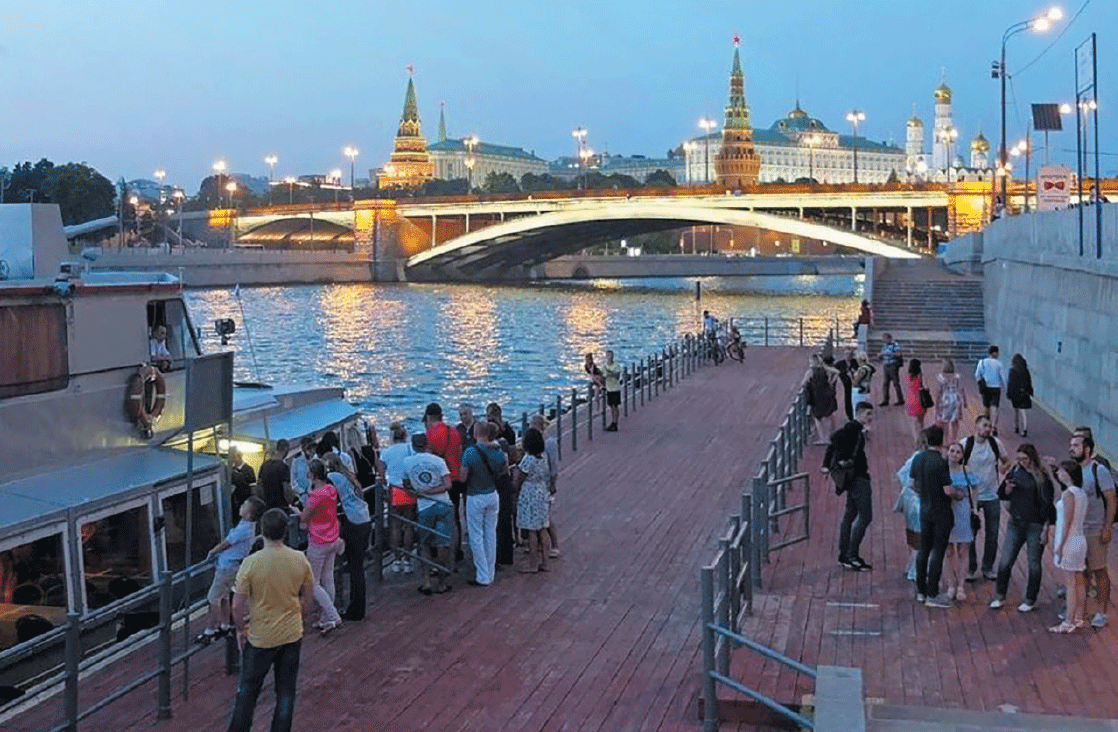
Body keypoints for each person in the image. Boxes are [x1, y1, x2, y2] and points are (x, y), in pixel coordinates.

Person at [224, 508, 315, 732]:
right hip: (291, 633)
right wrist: (299, 620)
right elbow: (309, 598)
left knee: (247, 691)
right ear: (285, 532)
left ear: (262, 532)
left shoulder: (251, 563)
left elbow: (237, 605)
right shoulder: (300, 559)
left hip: (261, 636)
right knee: (286, 692)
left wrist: (241, 629)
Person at [989, 444, 1054, 612]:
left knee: (1034, 563)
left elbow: (1047, 505)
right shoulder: (1015, 472)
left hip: (1035, 524)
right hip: (1016, 522)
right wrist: (1007, 490)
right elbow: (1002, 493)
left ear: (1032, 458)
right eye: (1019, 459)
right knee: (1005, 560)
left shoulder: (1041, 477)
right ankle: (1000, 595)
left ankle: (1030, 599)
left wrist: (1046, 528)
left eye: (1024, 459)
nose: (1021, 462)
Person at [198, 497, 264, 644]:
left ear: (249, 514)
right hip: (233, 566)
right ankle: (225, 624)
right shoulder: (248, 526)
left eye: (244, 505)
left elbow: (226, 543)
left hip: (227, 567)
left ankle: (210, 630)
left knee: (213, 597)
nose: (241, 505)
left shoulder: (243, 529)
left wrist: (213, 551)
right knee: (225, 596)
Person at [823, 401, 875, 571]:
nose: (870, 417)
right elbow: (835, 439)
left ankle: (844, 554)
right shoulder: (853, 429)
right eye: (867, 414)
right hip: (858, 478)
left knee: (849, 516)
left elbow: (833, 441)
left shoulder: (853, 429)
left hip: (851, 479)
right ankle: (852, 555)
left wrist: (827, 463)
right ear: (859, 413)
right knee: (865, 516)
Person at [911, 426, 960, 608]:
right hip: (941, 511)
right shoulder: (940, 462)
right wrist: (959, 494)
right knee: (938, 552)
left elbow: (914, 484)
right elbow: (948, 490)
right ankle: (933, 593)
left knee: (923, 550)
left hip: (925, 509)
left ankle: (921, 591)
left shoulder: (918, 458)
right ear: (942, 440)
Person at [1070, 432, 1115, 628]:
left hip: (1095, 530)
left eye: (1076, 445)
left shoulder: (1099, 471)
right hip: (1078, 530)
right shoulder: (1074, 471)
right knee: (1082, 571)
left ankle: (1101, 612)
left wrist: (1107, 526)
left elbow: (1111, 499)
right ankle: (1080, 609)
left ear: (1087, 449)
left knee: (1099, 571)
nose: (1072, 448)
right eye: (1071, 445)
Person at [402, 433, 453, 595]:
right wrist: (432, 490)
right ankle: (442, 582)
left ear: (413, 446)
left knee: (424, 543)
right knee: (443, 542)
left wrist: (420, 492)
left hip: (424, 507)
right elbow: (447, 484)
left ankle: (426, 581)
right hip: (443, 504)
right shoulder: (438, 461)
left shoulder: (407, 462)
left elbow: (406, 485)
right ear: (427, 445)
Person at [324, 454, 371, 621]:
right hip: (364, 517)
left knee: (354, 567)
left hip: (353, 521)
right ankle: (357, 606)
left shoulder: (331, 477)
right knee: (357, 566)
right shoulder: (348, 476)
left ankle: (356, 609)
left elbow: (329, 498)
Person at [962, 415, 1009, 581]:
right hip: (971, 496)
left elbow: (1006, 460)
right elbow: (955, 463)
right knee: (970, 533)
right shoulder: (965, 444)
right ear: (976, 426)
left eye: (989, 426)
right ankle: (971, 567)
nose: (988, 429)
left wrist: (1004, 468)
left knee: (993, 534)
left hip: (992, 495)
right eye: (984, 425)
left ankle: (987, 567)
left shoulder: (995, 444)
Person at [459, 421, 505, 587]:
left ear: (478, 434)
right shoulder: (499, 452)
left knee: (476, 535)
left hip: (475, 495)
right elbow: (503, 470)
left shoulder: (470, 452)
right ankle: (490, 572)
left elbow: (462, 477)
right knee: (490, 534)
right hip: (492, 494)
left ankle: (482, 574)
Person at [299, 460, 342, 634]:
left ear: (313, 474)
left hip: (318, 540)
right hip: (332, 536)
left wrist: (297, 511)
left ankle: (332, 615)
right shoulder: (331, 490)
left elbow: (304, 516)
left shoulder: (316, 495)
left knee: (313, 582)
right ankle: (326, 617)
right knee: (328, 578)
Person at [1049, 460, 1088, 633]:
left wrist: (1060, 545)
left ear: (1069, 474)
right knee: (1079, 581)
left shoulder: (1068, 494)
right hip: (1080, 539)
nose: (1059, 474)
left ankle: (1068, 621)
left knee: (1071, 583)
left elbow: (1067, 522)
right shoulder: (1081, 493)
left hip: (1070, 541)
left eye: (1062, 472)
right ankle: (1078, 617)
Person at [379, 422, 416, 574]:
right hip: (408, 489)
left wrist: (384, 487)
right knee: (408, 525)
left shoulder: (386, 452)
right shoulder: (411, 449)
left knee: (394, 525)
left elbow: (381, 473)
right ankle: (407, 560)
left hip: (393, 490)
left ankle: (396, 559)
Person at [517, 428, 553, 573]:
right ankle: (545, 561)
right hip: (541, 491)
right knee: (543, 528)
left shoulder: (527, 459)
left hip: (529, 493)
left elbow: (520, 477)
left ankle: (533, 564)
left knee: (531, 530)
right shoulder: (543, 458)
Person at [943, 443, 975, 601]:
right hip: (946, 511)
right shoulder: (942, 470)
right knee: (948, 552)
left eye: (958, 452)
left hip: (962, 511)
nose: (954, 454)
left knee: (963, 550)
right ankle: (951, 585)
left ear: (962, 455)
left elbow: (975, 489)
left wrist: (974, 509)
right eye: (952, 451)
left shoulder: (966, 471)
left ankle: (961, 586)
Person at [894, 433, 927, 582]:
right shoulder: (920, 458)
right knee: (920, 538)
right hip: (916, 501)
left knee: (916, 537)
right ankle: (915, 571)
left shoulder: (915, 457)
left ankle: (911, 568)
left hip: (910, 499)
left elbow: (901, 476)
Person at [529, 413, 561, 558]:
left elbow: (553, 466)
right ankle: (543, 544)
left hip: (545, 481)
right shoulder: (539, 441)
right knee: (541, 516)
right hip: (540, 481)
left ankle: (554, 545)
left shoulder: (549, 442)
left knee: (546, 516)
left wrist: (553, 483)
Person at [453, 404, 478, 562]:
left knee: (472, 508)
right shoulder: (458, 430)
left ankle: (472, 538)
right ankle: (459, 544)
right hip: (461, 471)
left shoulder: (478, 427)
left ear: (471, 413)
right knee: (458, 509)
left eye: (465, 414)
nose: (463, 417)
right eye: (461, 414)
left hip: (474, 473)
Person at [804, 353, 839, 445]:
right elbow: (837, 372)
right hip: (827, 394)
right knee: (828, 416)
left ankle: (822, 438)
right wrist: (831, 382)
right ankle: (828, 436)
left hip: (817, 397)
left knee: (817, 418)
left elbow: (804, 383)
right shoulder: (825, 370)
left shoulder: (810, 372)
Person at [974, 345, 1008, 434]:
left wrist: (980, 383)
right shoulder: (999, 364)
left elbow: (977, 374)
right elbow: (1003, 377)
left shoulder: (982, 362)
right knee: (994, 407)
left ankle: (985, 424)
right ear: (997, 353)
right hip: (996, 387)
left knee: (986, 406)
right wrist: (1005, 387)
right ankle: (993, 426)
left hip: (986, 387)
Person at [934, 358, 967, 446]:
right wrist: (965, 401)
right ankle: (954, 439)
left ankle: (945, 439)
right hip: (956, 398)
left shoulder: (940, 377)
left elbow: (939, 391)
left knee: (945, 421)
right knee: (955, 420)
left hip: (945, 399)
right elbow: (962, 389)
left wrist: (936, 403)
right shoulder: (957, 376)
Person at [259, 440, 293, 511]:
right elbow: (286, 489)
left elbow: (259, 486)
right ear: (286, 450)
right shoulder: (284, 467)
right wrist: (291, 501)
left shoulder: (264, 465)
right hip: (281, 506)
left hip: (267, 505)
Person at [1006, 353, 1034, 437]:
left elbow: (1011, 383)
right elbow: (1029, 382)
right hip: (1024, 394)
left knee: (1016, 411)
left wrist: (1009, 393)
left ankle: (1016, 427)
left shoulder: (1013, 371)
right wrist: (1030, 391)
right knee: (1023, 413)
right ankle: (1025, 429)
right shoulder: (1025, 371)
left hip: (1016, 394)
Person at [228, 446, 256, 521]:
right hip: (235, 506)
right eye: (232, 457)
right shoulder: (231, 471)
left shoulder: (248, 470)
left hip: (245, 503)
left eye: (235, 456)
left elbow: (253, 489)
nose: (233, 459)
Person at [878, 333, 904, 406]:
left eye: (886, 338)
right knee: (885, 383)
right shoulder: (884, 346)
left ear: (890, 338)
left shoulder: (895, 345)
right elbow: (881, 354)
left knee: (896, 383)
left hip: (893, 365)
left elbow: (898, 354)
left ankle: (900, 399)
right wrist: (881, 355)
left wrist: (890, 353)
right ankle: (885, 400)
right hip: (886, 365)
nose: (885, 340)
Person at [906, 359, 929, 442]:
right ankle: (922, 437)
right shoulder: (921, 376)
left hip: (911, 399)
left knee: (914, 421)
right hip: (920, 400)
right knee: (921, 421)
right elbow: (926, 387)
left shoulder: (908, 376)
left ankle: (916, 439)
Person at [289, 437, 315, 504]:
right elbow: (293, 479)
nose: (310, 449)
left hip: (315, 494)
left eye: (311, 447)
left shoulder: (315, 458)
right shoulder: (297, 459)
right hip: (302, 495)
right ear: (302, 447)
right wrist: (300, 491)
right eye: (308, 447)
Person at [831, 356, 854, 423]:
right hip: (845, 385)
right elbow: (833, 371)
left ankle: (855, 417)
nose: (848, 356)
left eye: (849, 354)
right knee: (847, 401)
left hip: (854, 385)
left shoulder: (855, 363)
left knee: (854, 401)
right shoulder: (840, 364)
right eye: (846, 354)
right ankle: (849, 417)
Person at [603, 350, 622, 432]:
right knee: (611, 406)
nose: (608, 357)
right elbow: (602, 375)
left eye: (609, 356)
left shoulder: (616, 365)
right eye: (607, 355)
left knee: (615, 406)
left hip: (615, 388)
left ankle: (616, 423)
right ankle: (612, 422)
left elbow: (617, 376)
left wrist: (609, 372)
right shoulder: (605, 366)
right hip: (609, 389)